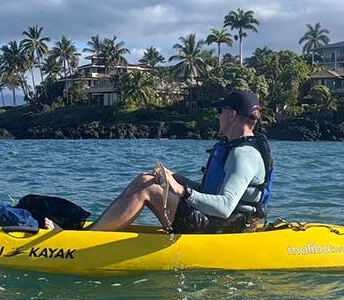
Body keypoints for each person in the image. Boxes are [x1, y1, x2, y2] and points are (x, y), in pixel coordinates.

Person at [87, 90, 273, 234]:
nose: (218, 116)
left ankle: (84, 244)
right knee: (146, 179)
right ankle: (93, 232)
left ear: (232, 115)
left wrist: (183, 191)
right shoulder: (235, 148)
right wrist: (178, 178)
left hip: (222, 227)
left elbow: (225, 207)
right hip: (216, 221)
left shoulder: (243, 154)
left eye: (220, 111)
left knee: (148, 188)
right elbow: (211, 193)